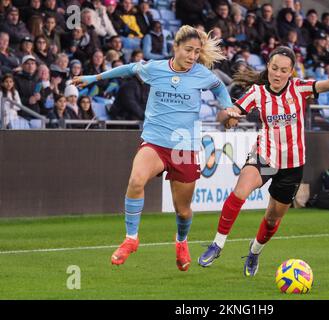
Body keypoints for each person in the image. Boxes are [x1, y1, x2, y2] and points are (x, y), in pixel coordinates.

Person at [72, 25, 234, 271]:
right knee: (136, 180)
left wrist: (228, 106)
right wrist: (94, 78)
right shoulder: (155, 68)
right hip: (155, 142)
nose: (192, 56)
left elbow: (220, 88)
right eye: (188, 50)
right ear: (175, 47)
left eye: (196, 52)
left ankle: (181, 242)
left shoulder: (202, 74)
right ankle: (131, 238)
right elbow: (128, 69)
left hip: (185, 147)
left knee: (183, 211)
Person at [197, 46, 329, 276]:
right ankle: (217, 244)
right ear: (268, 66)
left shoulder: (300, 88)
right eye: (274, 68)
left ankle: (254, 251)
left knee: (271, 219)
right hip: (265, 156)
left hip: (292, 165)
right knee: (240, 191)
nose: (278, 74)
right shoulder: (257, 93)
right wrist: (229, 118)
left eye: (284, 70)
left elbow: (328, 85)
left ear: (291, 73)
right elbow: (228, 115)